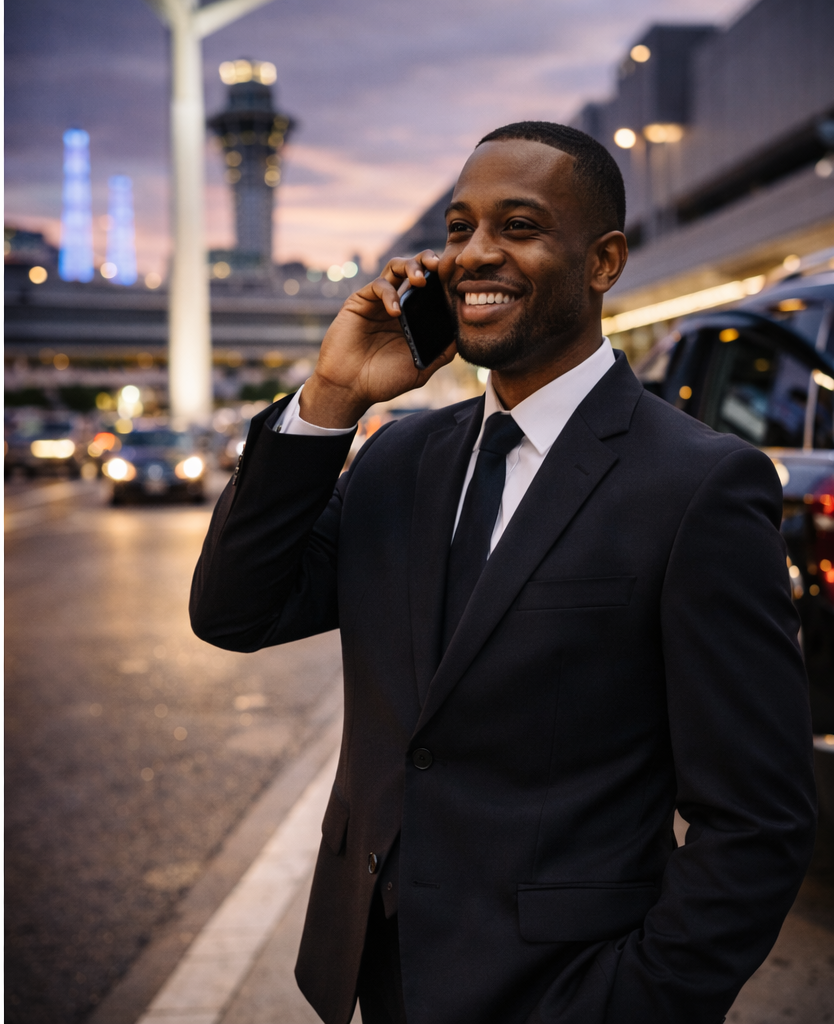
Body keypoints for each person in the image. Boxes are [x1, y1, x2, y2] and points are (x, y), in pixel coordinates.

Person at [189, 121, 816, 1023]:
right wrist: (331, 397)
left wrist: (635, 1004)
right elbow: (231, 611)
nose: (475, 254)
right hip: (378, 976)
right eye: (457, 229)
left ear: (603, 262)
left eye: (518, 226)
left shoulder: (698, 485)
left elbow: (758, 821)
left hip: (568, 990)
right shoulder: (398, 459)